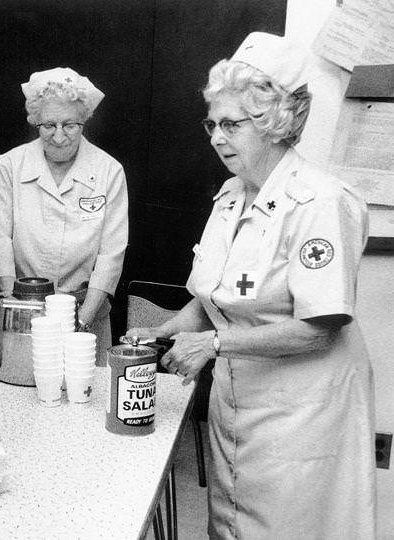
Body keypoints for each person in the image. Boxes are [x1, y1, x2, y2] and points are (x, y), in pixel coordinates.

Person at [127, 32, 375, 538]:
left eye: (232, 124)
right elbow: (211, 298)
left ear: (275, 123)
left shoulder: (321, 204)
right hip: (238, 402)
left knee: (291, 527)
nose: (217, 137)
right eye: (212, 123)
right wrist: (170, 331)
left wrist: (214, 344)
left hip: (304, 412)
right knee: (233, 521)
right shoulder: (230, 196)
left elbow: (320, 328)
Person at [0, 67, 128, 350]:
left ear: (84, 121)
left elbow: (111, 254)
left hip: (86, 312)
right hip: (20, 310)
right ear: (35, 121)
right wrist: (18, 307)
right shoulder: (9, 166)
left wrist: (83, 323)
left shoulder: (109, 171)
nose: (59, 135)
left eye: (70, 125)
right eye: (49, 125)